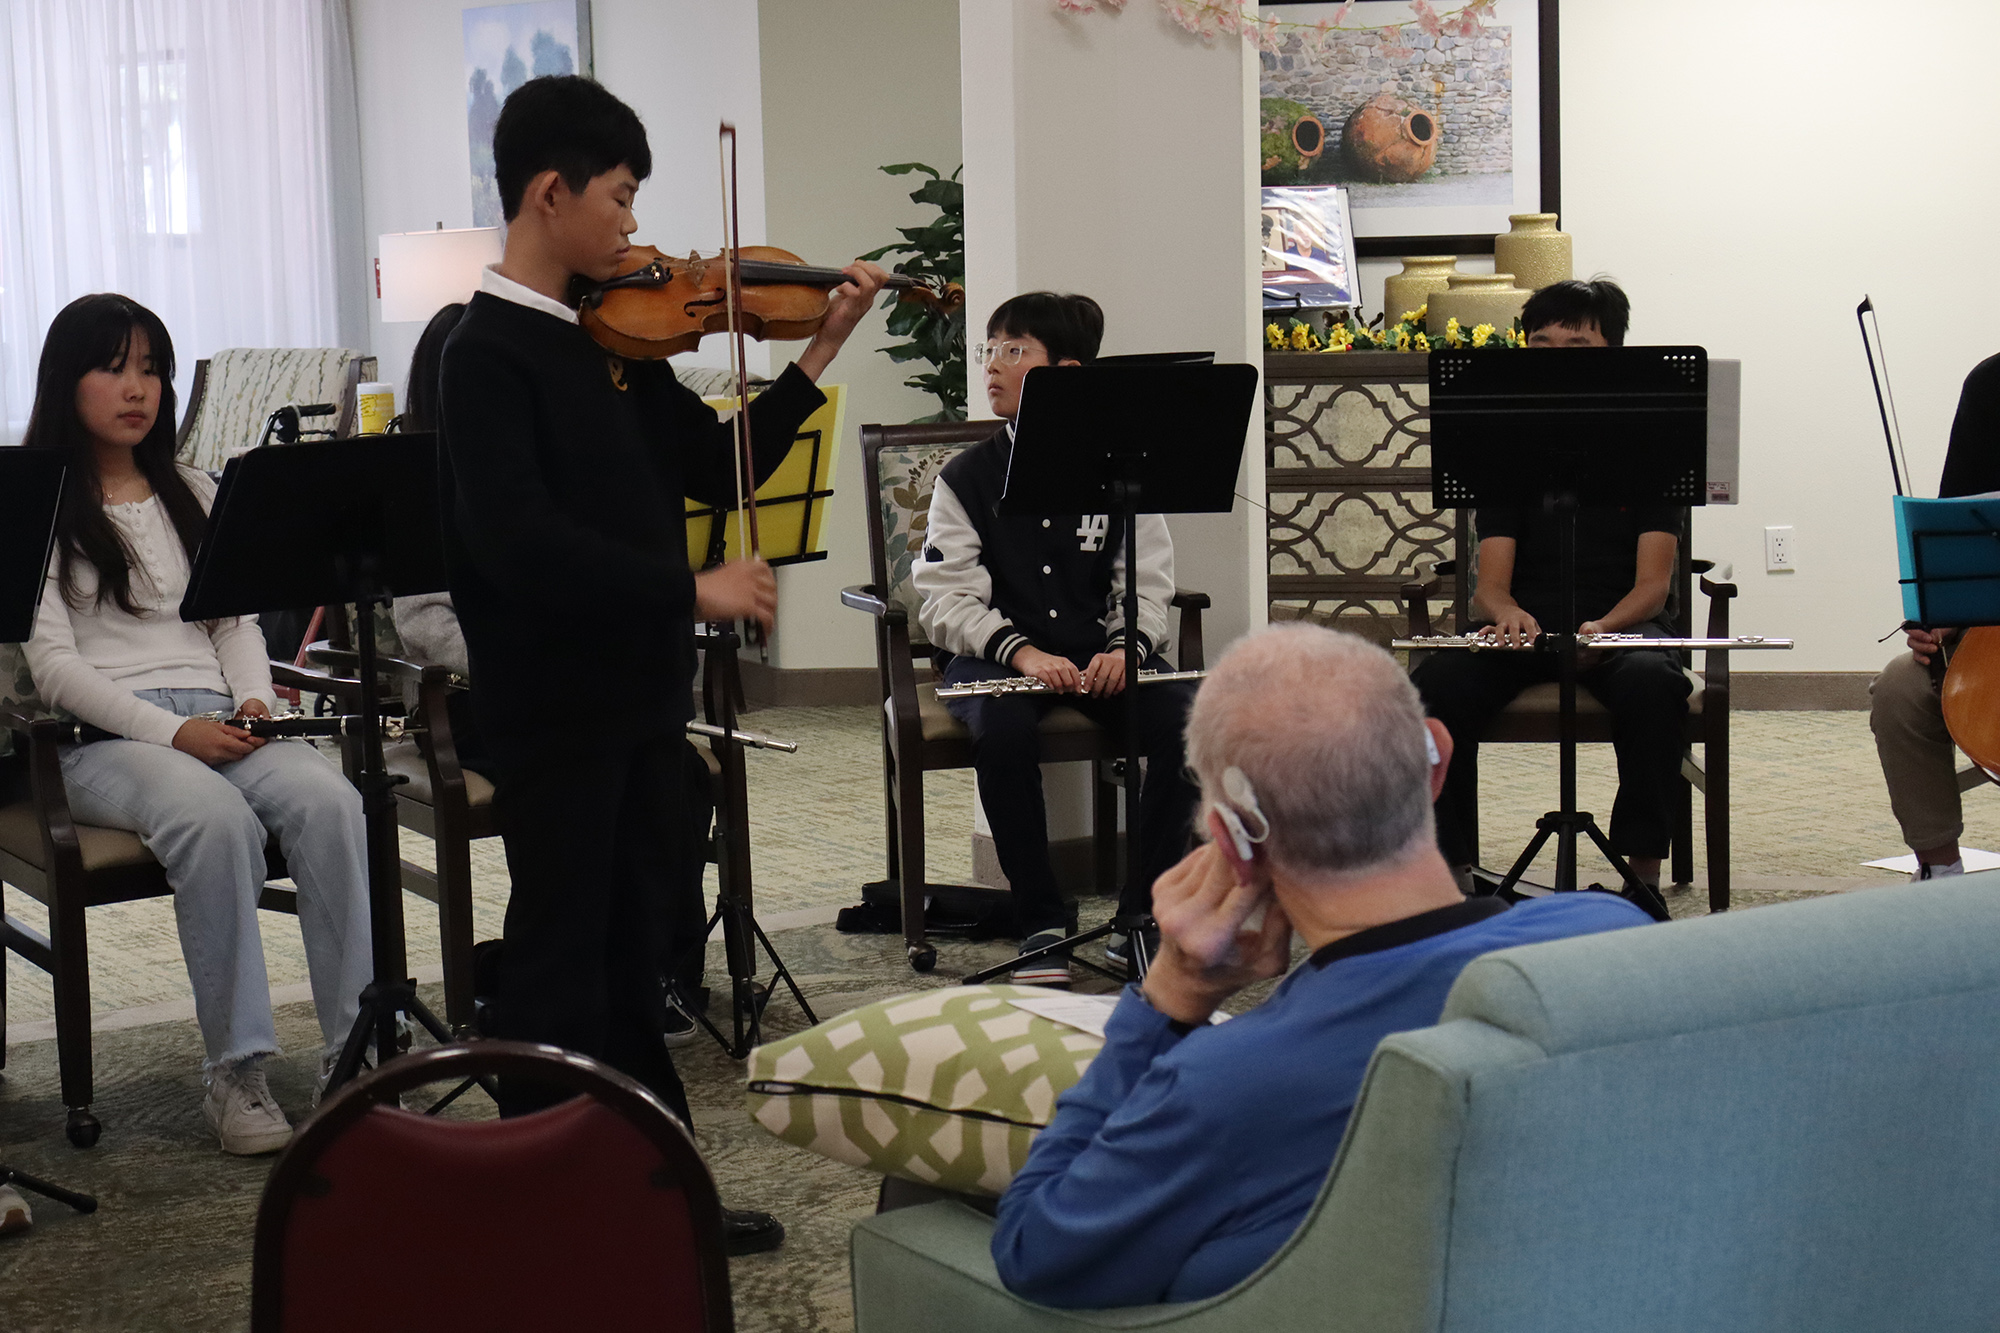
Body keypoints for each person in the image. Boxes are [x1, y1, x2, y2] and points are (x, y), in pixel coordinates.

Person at [437, 75, 884, 1253]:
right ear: (551, 193)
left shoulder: (613, 346)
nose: (636, 229)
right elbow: (519, 544)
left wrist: (819, 348)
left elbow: (716, 465)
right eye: (621, 198)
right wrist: (690, 588)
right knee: (558, 960)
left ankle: (649, 1188)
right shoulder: (485, 354)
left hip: (639, 696)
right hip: (553, 706)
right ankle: (544, 1199)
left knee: (637, 950)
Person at [992, 624, 1650, 1308]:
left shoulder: (1224, 1082)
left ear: (1232, 840)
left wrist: (1168, 994)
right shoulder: (1613, 937)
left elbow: (1036, 1253)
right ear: (1437, 762)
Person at [21, 293, 372, 1156]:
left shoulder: (196, 489)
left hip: (219, 714)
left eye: (151, 369)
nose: (136, 388)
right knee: (211, 819)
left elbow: (234, 623)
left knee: (332, 801)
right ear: (66, 379)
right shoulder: (37, 504)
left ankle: (355, 1055)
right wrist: (174, 734)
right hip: (103, 741)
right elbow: (56, 670)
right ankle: (236, 1071)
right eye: (114, 367)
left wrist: (252, 700)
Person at [391, 300, 710, 1045]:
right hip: (474, 700)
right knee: (576, 800)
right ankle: (557, 984)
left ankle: (663, 968)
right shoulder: (427, 468)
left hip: (569, 678)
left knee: (680, 776)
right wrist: (523, 643)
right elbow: (424, 623)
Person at [914, 291, 1200, 985]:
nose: (992, 365)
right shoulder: (965, 477)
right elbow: (945, 599)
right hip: (995, 659)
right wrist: (1021, 651)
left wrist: (1126, 648)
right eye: (989, 349)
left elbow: (1146, 578)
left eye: (1014, 350)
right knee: (1003, 731)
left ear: (1066, 373)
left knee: (1191, 723)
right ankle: (1040, 920)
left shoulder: (1120, 468)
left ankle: (1142, 914)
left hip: (1099, 652)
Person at [1411, 278, 1690, 891]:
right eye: (1541, 343)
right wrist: (1507, 613)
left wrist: (1604, 629)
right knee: (1437, 684)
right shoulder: (1507, 448)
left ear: (1614, 353)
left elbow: (1654, 586)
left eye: (1577, 344)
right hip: (1525, 628)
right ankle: (1452, 876)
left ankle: (1641, 874)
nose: (1556, 357)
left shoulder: (1651, 447)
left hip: (1622, 625)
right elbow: (1490, 587)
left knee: (1653, 683)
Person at [1870, 352, 2000, 879]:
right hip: (1991, 632)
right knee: (1900, 689)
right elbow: (1958, 529)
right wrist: (1941, 614)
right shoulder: (1991, 385)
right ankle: (1941, 871)